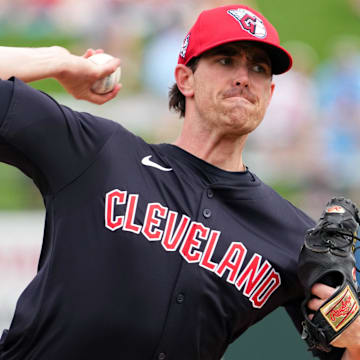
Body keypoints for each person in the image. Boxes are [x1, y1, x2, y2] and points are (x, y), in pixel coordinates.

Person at [0, 4, 359, 360]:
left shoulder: (294, 237)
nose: (243, 76)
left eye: (259, 68)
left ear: (269, 95)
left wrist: (355, 339)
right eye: (225, 60)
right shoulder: (99, 154)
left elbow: (345, 349)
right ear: (185, 78)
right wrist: (60, 61)